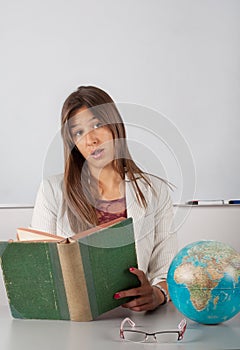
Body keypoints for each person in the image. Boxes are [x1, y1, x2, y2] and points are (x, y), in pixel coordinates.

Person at [31, 85, 178, 312]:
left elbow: (166, 269)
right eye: (78, 132)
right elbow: (40, 271)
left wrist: (158, 294)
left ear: (115, 126)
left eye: (97, 125)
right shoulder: (52, 191)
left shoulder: (155, 191)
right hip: (74, 324)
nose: (91, 139)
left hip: (135, 323)